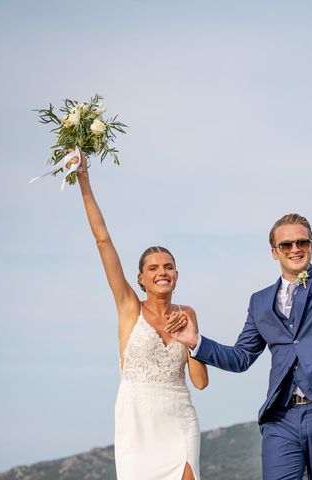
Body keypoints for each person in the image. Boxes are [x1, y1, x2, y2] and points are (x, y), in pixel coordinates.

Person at [172, 185, 312, 480]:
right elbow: (241, 357)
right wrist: (195, 341)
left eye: (302, 242)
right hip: (281, 417)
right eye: (286, 245)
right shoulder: (260, 302)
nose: (295, 249)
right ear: (275, 253)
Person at [71, 153, 208, 480]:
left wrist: (191, 340)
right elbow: (102, 240)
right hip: (137, 423)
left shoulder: (187, 313)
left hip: (180, 419)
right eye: (153, 268)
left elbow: (200, 383)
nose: (162, 272)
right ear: (141, 279)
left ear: (177, 274)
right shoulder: (129, 307)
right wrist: (84, 181)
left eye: (168, 267)